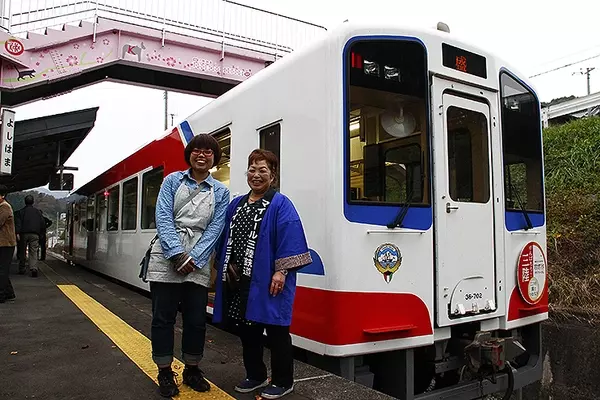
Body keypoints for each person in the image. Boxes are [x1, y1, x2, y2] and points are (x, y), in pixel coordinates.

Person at [213, 149, 312, 399]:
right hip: (242, 281)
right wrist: (226, 264)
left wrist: (281, 272)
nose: (256, 175)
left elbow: (290, 237)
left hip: (270, 281)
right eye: (252, 170)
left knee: (277, 331)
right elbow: (225, 237)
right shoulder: (237, 204)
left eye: (263, 170)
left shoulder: (281, 203)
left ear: (273, 175)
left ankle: (283, 380)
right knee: (248, 330)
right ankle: (255, 375)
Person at [146, 134, 230, 398]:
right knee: (163, 319)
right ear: (189, 155)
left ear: (215, 159)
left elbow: (216, 227)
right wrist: (177, 254)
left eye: (208, 152)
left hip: (199, 262)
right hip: (166, 258)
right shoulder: (172, 181)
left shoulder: (221, 192)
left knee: (195, 320)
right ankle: (164, 370)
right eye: (197, 150)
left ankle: (192, 369)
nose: (202, 155)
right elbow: (163, 217)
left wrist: (195, 258)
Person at [15, 195, 47, 277]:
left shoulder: (20, 212)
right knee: (33, 251)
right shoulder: (38, 212)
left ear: (25, 202)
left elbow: (18, 224)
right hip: (35, 234)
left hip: (23, 234)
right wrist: (42, 234)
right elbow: (42, 224)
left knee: (22, 251)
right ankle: (34, 268)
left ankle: (22, 268)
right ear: (33, 202)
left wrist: (17, 233)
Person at [0, 185, 17, 303]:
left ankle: (1, 295)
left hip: (5, 243)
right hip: (5, 243)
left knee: (2, 269)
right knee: (3, 269)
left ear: (2, 195)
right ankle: (9, 292)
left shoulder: (4, 207)